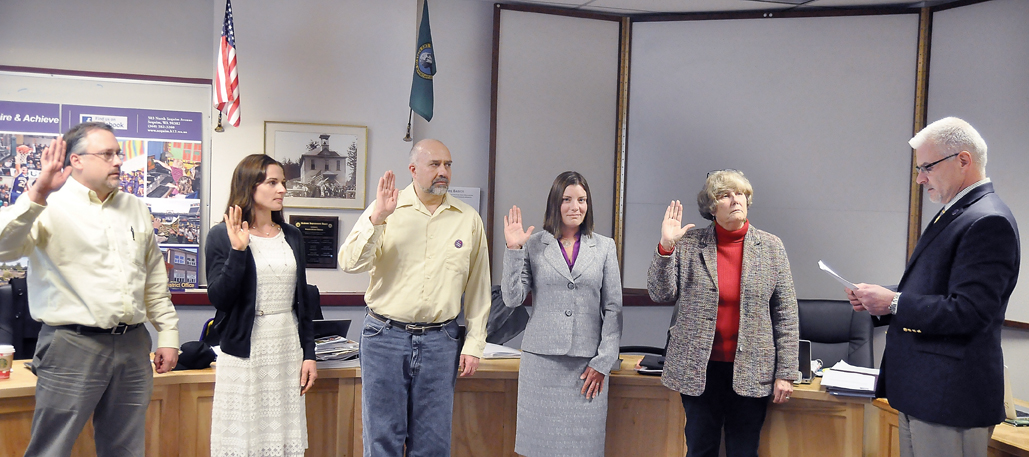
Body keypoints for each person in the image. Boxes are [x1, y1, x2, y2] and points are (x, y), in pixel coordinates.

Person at [0, 122, 180, 456]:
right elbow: (3, 248)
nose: (118, 161)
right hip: (72, 345)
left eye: (118, 153)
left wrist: (168, 335)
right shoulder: (47, 203)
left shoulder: (136, 208)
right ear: (77, 160)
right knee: (51, 447)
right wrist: (37, 193)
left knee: (125, 448)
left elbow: (154, 278)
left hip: (132, 345)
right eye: (108, 154)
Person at [846, 117, 1019, 457]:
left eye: (926, 167)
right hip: (925, 392)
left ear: (963, 161)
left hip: (951, 397)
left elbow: (969, 311)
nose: (919, 178)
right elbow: (936, 288)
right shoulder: (956, 212)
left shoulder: (988, 220)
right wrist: (877, 298)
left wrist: (894, 303)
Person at [339, 139, 490, 457]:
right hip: (385, 338)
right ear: (413, 169)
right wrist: (378, 217)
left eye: (447, 165)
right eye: (434, 164)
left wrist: (474, 344)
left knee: (433, 445)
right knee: (382, 441)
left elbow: (478, 288)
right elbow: (350, 263)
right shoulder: (386, 208)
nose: (443, 172)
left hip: (441, 341)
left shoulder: (468, 219)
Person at [648, 169, 798, 457]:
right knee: (700, 449)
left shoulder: (770, 247)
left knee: (744, 450)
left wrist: (786, 373)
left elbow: (786, 314)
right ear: (711, 207)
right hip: (699, 371)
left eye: (739, 193)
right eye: (725, 195)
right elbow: (660, 293)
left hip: (752, 370)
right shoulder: (690, 243)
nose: (734, 200)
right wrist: (667, 247)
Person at [501, 171, 623, 456]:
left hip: (587, 367)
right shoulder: (534, 244)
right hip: (541, 364)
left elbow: (613, 309)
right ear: (555, 204)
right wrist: (513, 249)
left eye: (581, 200)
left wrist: (604, 361)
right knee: (538, 448)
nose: (575, 207)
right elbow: (512, 298)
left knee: (583, 449)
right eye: (567, 199)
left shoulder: (604, 247)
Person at [205, 154, 318, 456]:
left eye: (283, 182)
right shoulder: (221, 234)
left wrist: (309, 354)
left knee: (280, 437)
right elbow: (219, 298)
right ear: (250, 186)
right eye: (273, 182)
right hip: (245, 349)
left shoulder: (292, 235)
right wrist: (238, 251)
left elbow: (302, 301)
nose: (282, 189)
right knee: (245, 439)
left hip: (286, 345)